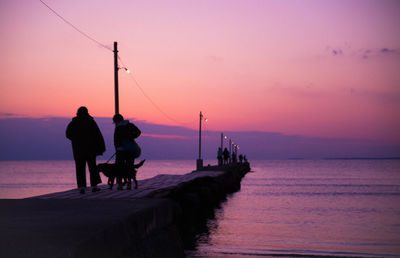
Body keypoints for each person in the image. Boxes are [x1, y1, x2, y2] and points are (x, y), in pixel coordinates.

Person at [66, 106, 105, 194]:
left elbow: (68, 134)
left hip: (78, 150)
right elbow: (98, 135)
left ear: (78, 113)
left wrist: (76, 140)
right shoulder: (91, 122)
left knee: (80, 168)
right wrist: (101, 147)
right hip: (91, 149)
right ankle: (94, 186)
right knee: (93, 167)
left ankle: (81, 187)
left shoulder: (74, 122)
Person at [113, 114, 141, 190]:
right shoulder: (130, 125)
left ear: (116, 121)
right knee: (129, 166)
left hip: (121, 150)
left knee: (119, 167)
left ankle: (120, 184)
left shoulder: (118, 128)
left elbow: (116, 139)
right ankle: (129, 184)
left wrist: (117, 148)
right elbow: (138, 132)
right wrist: (131, 137)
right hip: (130, 149)